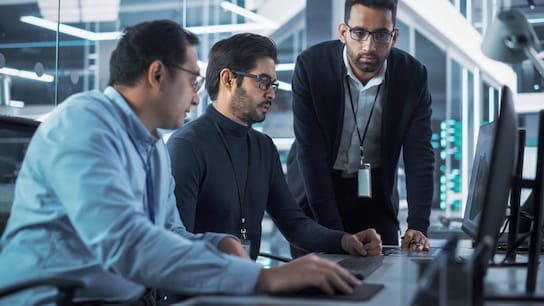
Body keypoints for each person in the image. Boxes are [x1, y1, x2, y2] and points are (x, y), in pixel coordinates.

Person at [0, 20, 363, 305]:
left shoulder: (153, 145)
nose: (196, 94)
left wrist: (217, 243)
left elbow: (169, 232)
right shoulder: (83, 124)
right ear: (157, 74)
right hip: (56, 298)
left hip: (122, 297)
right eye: (192, 79)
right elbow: (126, 244)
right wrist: (262, 278)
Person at [167, 33, 382, 261]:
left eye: (273, 84)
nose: (271, 93)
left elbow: (294, 225)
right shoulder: (187, 146)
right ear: (228, 79)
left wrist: (345, 240)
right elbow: (177, 246)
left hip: (244, 286)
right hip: (201, 291)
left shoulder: (263, 147)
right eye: (263, 82)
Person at [286, 0, 434, 253]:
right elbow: (310, 154)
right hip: (316, 189)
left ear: (394, 36)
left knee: (386, 271)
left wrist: (418, 225)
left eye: (381, 35)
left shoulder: (412, 76)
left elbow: (419, 154)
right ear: (343, 32)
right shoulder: (311, 67)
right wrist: (336, 237)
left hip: (374, 195)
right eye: (359, 33)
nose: (369, 46)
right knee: (320, 276)